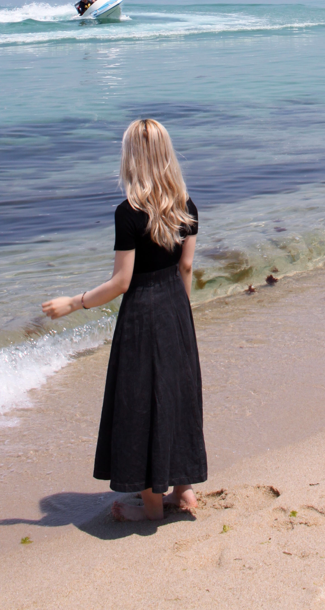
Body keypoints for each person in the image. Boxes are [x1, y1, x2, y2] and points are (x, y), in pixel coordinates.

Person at [42, 119, 206, 522]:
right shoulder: (186, 205)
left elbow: (121, 282)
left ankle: (151, 507)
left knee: (141, 404)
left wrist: (74, 303)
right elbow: (186, 267)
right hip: (176, 310)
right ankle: (183, 491)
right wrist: (181, 315)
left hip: (143, 315)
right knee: (176, 397)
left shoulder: (129, 213)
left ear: (131, 158)